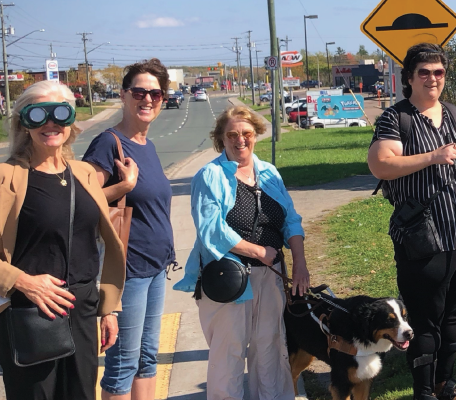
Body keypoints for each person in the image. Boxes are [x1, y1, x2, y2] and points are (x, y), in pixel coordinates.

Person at [0, 80, 126, 399]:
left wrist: (108, 310)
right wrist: (24, 282)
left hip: (83, 311)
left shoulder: (85, 174)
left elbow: (94, 246)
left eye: (60, 112)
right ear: (23, 122)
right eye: (38, 114)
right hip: (30, 315)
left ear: (72, 120)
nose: (51, 123)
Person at [367, 42, 456, 400]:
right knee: (423, 323)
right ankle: (423, 392)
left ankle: (445, 384)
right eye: (424, 72)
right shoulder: (396, 118)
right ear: (409, 77)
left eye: (439, 72)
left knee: (453, 321)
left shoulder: (453, 114)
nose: (432, 79)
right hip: (422, 238)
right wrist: (432, 156)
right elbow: (380, 164)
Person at [172, 105, 309, 400]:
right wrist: (258, 251)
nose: (240, 140)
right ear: (221, 138)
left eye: (246, 133)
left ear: (257, 135)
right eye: (232, 134)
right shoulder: (209, 176)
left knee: (270, 348)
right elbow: (212, 231)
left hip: (270, 277)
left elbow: (291, 220)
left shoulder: (269, 172)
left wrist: (300, 264)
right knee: (229, 356)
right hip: (230, 280)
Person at [81, 58, 175, 400]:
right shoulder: (109, 144)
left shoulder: (146, 145)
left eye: (155, 93)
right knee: (123, 363)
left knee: (148, 360)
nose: (147, 99)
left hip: (154, 268)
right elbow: (81, 204)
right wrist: (122, 187)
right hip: (127, 272)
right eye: (139, 91)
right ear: (123, 95)